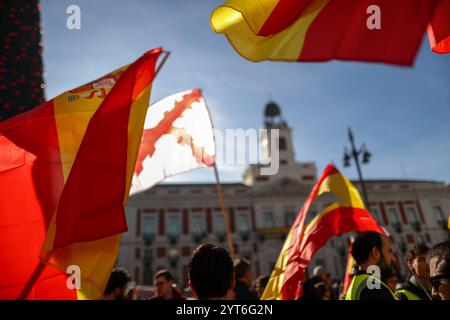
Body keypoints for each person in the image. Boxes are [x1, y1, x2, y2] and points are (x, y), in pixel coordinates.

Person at [345, 231, 397, 300]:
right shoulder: (375, 289)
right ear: (375, 252)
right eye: (389, 251)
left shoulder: (356, 286)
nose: (394, 259)